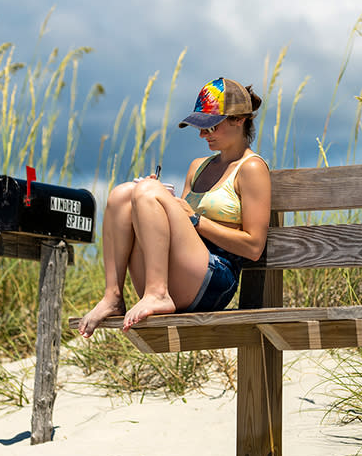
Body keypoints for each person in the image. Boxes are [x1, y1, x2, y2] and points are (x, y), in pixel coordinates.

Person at [77, 78, 271, 336]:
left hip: (216, 278)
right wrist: (155, 201)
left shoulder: (252, 168)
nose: (203, 135)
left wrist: (195, 219)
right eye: (200, 128)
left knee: (146, 192)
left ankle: (158, 293)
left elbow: (254, 247)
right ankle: (113, 297)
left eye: (211, 126)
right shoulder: (198, 166)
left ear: (239, 120)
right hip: (184, 272)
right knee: (123, 195)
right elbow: (179, 232)